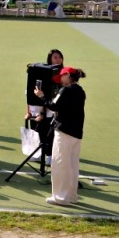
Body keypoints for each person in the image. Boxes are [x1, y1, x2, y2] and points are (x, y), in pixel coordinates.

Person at [46, 67, 87, 206]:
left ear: (68, 75)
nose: (61, 81)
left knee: (60, 164)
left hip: (64, 131)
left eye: (62, 77)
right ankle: (71, 195)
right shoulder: (80, 91)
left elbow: (54, 106)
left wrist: (41, 96)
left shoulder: (66, 90)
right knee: (72, 166)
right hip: (76, 132)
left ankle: (60, 197)